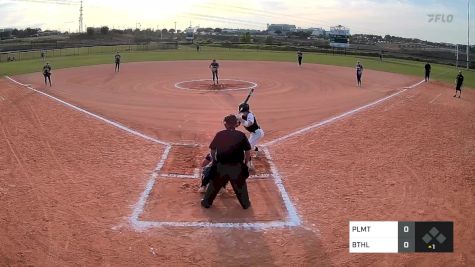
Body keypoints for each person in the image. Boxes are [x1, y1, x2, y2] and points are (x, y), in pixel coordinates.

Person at [201, 115, 251, 209]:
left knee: (214, 185)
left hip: (221, 166)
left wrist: (215, 160)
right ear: (236, 124)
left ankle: (206, 202)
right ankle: (245, 204)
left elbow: (212, 150)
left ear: (226, 124)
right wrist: (245, 163)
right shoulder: (241, 135)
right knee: (241, 186)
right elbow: (247, 151)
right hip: (237, 167)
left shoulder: (220, 134)